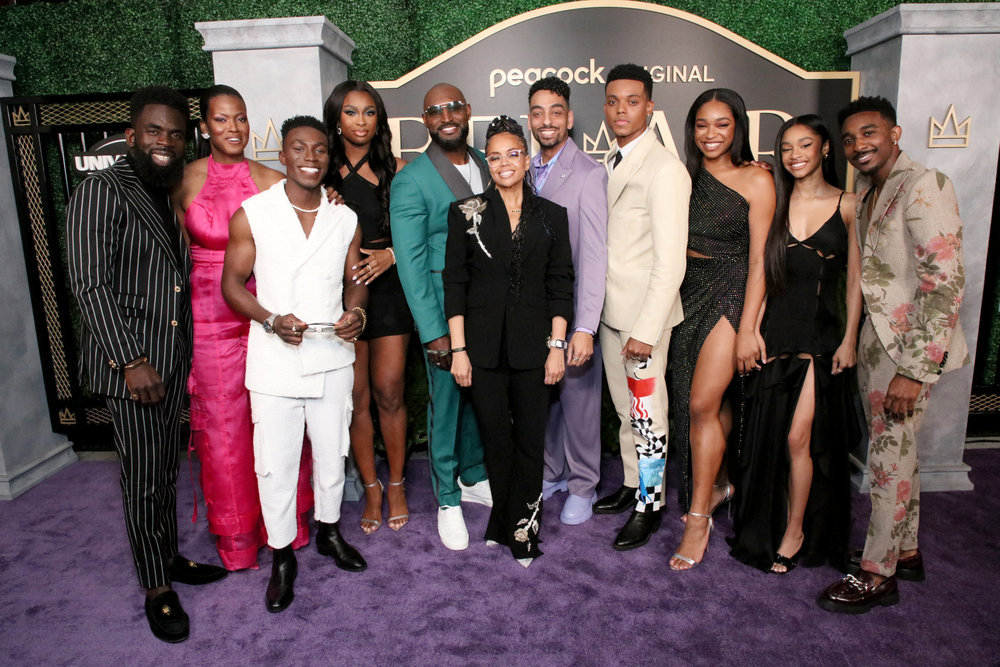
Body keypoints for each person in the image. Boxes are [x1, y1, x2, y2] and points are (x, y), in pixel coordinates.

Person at [66, 85, 227, 643]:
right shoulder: (101, 190)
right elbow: (90, 284)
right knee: (142, 478)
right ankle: (157, 589)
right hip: (133, 365)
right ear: (131, 135)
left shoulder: (165, 190)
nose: (166, 142)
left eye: (176, 134)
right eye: (155, 131)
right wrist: (131, 360)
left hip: (169, 358)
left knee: (163, 471)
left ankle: (167, 557)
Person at [819, 96, 967, 613]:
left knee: (886, 460)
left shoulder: (926, 185)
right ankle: (905, 551)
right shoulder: (869, 191)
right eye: (849, 139)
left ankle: (876, 572)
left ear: (895, 133)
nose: (858, 145)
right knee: (899, 452)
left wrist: (914, 370)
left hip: (908, 352)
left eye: (869, 133)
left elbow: (945, 283)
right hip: (877, 345)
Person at [221, 116, 368, 613]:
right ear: (281, 156)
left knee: (332, 452)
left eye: (319, 149)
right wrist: (269, 319)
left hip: (331, 355)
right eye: (298, 148)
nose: (310, 156)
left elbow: (355, 279)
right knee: (276, 464)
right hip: (275, 360)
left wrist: (357, 313)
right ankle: (282, 555)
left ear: (329, 157)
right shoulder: (253, 213)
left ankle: (329, 531)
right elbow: (232, 285)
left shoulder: (343, 217)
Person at [172, 84, 314, 570]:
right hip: (208, 316)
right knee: (225, 430)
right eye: (221, 119)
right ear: (204, 127)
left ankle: (286, 526)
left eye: (240, 118)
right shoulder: (183, 180)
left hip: (265, 309)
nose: (233, 128)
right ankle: (238, 538)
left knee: (277, 419)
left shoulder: (274, 179)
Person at [728, 115, 860, 574]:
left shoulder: (848, 204)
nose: (795, 154)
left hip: (820, 341)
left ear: (825, 148)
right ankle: (769, 521)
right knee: (768, 442)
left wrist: (850, 338)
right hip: (775, 336)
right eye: (786, 147)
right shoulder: (776, 202)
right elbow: (763, 274)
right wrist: (749, 330)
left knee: (798, 437)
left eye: (805, 145)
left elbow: (855, 283)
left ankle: (797, 529)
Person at [444, 115, 574, 565]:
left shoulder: (552, 216)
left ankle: (524, 532)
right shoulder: (465, 213)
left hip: (535, 350)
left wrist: (557, 346)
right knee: (496, 440)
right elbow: (455, 284)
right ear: (488, 163)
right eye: (495, 157)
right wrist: (459, 350)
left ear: (526, 158)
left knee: (530, 441)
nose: (504, 163)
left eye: (513, 154)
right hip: (481, 351)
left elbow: (561, 284)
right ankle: (503, 521)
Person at [668, 88, 775, 571]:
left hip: (731, 291)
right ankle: (722, 484)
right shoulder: (683, 177)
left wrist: (749, 327)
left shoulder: (756, 179)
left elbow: (760, 260)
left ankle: (698, 519)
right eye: (702, 124)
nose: (710, 134)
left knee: (701, 403)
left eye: (722, 124)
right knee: (706, 402)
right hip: (686, 291)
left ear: (738, 128)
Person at [390, 83, 492, 551]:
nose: (446, 116)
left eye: (453, 107)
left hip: (487, 309)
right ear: (425, 121)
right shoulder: (411, 180)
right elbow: (410, 265)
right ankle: (447, 498)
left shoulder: (487, 163)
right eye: (435, 111)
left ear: (468, 111)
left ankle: (472, 476)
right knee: (447, 401)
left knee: (477, 396)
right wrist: (432, 332)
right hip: (444, 312)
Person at [597, 64, 690, 551]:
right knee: (624, 411)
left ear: (649, 107)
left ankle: (651, 506)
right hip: (612, 314)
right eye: (613, 101)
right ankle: (634, 484)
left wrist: (646, 330)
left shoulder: (665, 169)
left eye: (632, 101)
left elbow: (671, 261)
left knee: (648, 416)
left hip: (642, 322)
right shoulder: (612, 160)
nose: (621, 110)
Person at [323, 81, 412, 534]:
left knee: (390, 390)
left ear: (379, 120)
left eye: (370, 112)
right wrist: (323, 203)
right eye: (351, 112)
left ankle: (397, 483)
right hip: (342, 291)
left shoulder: (400, 170)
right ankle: (372, 488)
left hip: (391, 287)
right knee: (356, 398)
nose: (361, 121)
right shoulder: (320, 174)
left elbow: (424, 230)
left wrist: (391, 254)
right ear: (336, 119)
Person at [527, 77, 608, 525]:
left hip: (574, 308)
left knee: (579, 402)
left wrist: (585, 326)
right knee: (547, 400)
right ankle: (553, 472)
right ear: (529, 119)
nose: (547, 120)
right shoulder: (524, 169)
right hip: (534, 310)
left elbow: (595, 256)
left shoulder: (589, 174)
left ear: (570, 118)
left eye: (556, 111)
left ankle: (583, 485)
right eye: (538, 112)